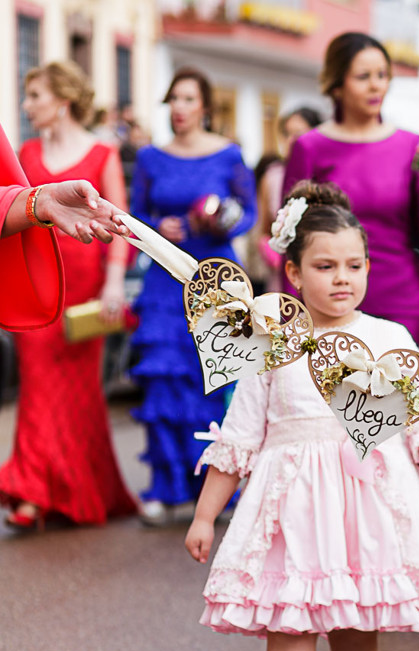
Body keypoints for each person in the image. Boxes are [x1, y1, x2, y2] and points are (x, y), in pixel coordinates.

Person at [184, 181, 419, 651]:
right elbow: (239, 439)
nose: (342, 278)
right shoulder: (271, 342)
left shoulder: (391, 338)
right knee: (289, 625)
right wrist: (205, 515)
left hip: (367, 513)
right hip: (292, 513)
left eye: (354, 265)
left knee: (356, 625)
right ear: (294, 273)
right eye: (325, 267)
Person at [0, 61, 136, 531]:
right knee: (38, 386)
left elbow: (119, 223)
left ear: (62, 100)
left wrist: (114, 282)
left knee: (80, 394)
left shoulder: (102, 153)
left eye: (35, 95)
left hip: (86, 288)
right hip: (38, 285)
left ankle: (78, 489)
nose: (26, 105)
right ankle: (32, 491)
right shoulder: (26, 151)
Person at [129, 67, 257, 525]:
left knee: (215, 378)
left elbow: (249, 213)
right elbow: (134, 215)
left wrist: (221, 221)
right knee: (165, 379)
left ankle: (216, 489)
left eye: (188, 99)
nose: (179, 108)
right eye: (174, 100)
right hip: (164, 281)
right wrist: (155, 226)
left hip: (215, 276)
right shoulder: (149, 157)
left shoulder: (229, 154)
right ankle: (167, 490)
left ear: (204, 106)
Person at [283, 32, 419, 347]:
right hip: (326, 306)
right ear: (337, 84)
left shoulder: (412, 147)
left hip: (403, 305)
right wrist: (289, 314)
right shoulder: (309, 147)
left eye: (382, 75)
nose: (376, 86)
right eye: (363, 76)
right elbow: (289, 237)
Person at [251, 107, 323, 292]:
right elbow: (264, 228)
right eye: (286, 134)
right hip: (282, 269)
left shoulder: (324, 175)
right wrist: (269, 249)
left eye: (298, 134)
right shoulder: (272, 176)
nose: (291, 140)